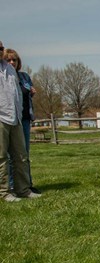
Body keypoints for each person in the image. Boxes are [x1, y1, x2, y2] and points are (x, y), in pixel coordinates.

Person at [0, 41, 40, 203]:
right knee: (2, 157)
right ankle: (4, 192)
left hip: (15, 117)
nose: (0, 51)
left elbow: (16, 93)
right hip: (1, 118)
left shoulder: (9, 69)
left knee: (21, 156)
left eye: (1, 48)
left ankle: (23, 189)